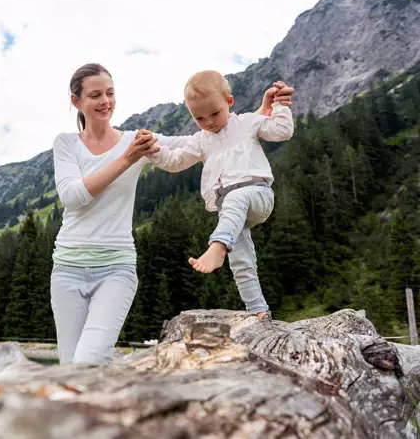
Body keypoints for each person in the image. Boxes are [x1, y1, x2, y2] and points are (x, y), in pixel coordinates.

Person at [51, 63, 294, 365]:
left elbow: (223, 132)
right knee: (67, 367)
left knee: (88, 362)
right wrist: (137, 154)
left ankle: (218, 246)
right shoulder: (67, 143)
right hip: (66, 268)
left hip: (116, 265)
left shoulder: (133, 139)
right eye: (95, 95)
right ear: (76, 101)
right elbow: (74, 198)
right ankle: (258, 308)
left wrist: (268, 110)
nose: (105, 101)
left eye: (110, 93)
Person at [144, 70, 294, 321]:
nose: (209, 122)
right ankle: (258, 311)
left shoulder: (247, 122)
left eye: (214, 113)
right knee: (242, 262)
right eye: (199, 118)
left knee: (236, 200)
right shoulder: (201, 141)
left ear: (229, 102)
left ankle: (218, 245)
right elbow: (174, 161)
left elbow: (282, 131)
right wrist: (151, 150)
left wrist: (280, 105)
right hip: (230, 212)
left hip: (257, 195)